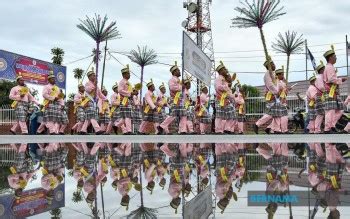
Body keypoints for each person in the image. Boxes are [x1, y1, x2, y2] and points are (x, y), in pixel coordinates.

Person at [158, 62, 188, 134]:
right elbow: (172, 88)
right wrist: (181, 87)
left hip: (179, 100)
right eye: (178, 70)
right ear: (174, 72)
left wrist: (183, 88)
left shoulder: (178, 80)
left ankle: (182, 130)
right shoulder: (172, 80)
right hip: (175, 100)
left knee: (183, 114)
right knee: (173, 115)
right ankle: (161, 126)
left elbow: (181, 90)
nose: (179, 71)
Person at [322, 45, 347, 133]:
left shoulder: (329, 67)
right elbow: (331, 79)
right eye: (334, 57)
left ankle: (331, 126)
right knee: (331, 110)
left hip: (332, 91)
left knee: (336, 109)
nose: (336, 58)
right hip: (330, 91)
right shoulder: (329, 67)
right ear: (330, 58)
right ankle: (328, 128)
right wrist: (340, 79)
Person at [253, 58, 279, 134]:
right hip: (271, 96)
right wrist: (276, 92)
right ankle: (257, 124)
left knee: (277, 114)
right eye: (272, 64)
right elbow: (270, 85)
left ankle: (272, 128)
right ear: (268, 66)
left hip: (275, 96)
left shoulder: (273, 74)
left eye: (274, 63)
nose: (274, 65)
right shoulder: (267, 74)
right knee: (271, 114)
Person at [80, 68, 105, 135]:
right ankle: (98, 129)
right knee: (92, 116)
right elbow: (89, 91)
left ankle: (82, 130)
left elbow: (100, 94)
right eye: (93, 75)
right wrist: (94, 85)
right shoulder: (87, 84)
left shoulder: (96, 85)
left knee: (88, 118)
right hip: (89, 102)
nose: (94, 77)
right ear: (89, 77)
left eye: (95, 75)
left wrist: (105, 99)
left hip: (94, 103)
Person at [214, 61, 231, 134]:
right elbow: (218, 87)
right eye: (224, 69)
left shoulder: (223, 78)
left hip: (224, 99)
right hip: (220, 99)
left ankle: (223, 129)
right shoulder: (219, 78)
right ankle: (218, 130)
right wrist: (226, 86)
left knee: (223, 115)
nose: (225, 70)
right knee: (219, 116)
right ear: (220, 71)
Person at [116, 65, 134, 135]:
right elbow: (119, 90)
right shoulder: (122, 82)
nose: (129, 75)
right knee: (128, 116)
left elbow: (130, 92)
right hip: (124, 100)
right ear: (124, 74)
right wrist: (130, 93)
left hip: (127, 100)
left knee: (124, 117)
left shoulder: (128, 83)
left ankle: (115, 126)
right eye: (128, 73)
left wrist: (134, 92)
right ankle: (129, 131)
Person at [314, 61, 326, 133]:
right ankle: (317, 129)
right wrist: (326, 91)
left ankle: (317, 129)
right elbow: (321, 87)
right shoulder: (319, 77)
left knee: (320, 114)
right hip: (320, 96)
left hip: (319, 96)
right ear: (321, 70)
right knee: (320, 114)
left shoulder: (319, 77)